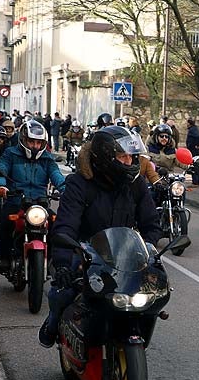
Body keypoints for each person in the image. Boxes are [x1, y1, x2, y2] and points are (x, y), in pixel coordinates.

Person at [37, 126, 162, 347]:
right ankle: (53, 322)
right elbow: (66, 226)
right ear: (105, 157)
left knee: (151, 295)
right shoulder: (79, 184)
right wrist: (64, 263)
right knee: (64, 292)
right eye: (123, 156)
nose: (129, 162)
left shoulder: (136, 184)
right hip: (85, 251)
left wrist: (150, 251)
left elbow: (151, 223)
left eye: (131, 156)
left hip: (124, 252)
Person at [0, 119, 67, 272]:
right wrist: (1, 185)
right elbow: (1, 168)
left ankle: (53, 262)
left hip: (41, 203)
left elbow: (56, 175)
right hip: (16, 201)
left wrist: (67, 189)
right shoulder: (11, 153)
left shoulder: (47, 158)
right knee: (5, 223)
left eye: (39, 143)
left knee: (57, 227)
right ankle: (5, 257)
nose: (35, 146)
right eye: (31, 141)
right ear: (23, 140)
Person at [186, 118, 199, 186]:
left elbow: (198, 136)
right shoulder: (194, 129)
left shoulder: (193, 130)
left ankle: (196, 181)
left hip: (193, 150)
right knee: (194, 165)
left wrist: (196, 144)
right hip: (192, 149)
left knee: (194, 165)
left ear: (189, 123)